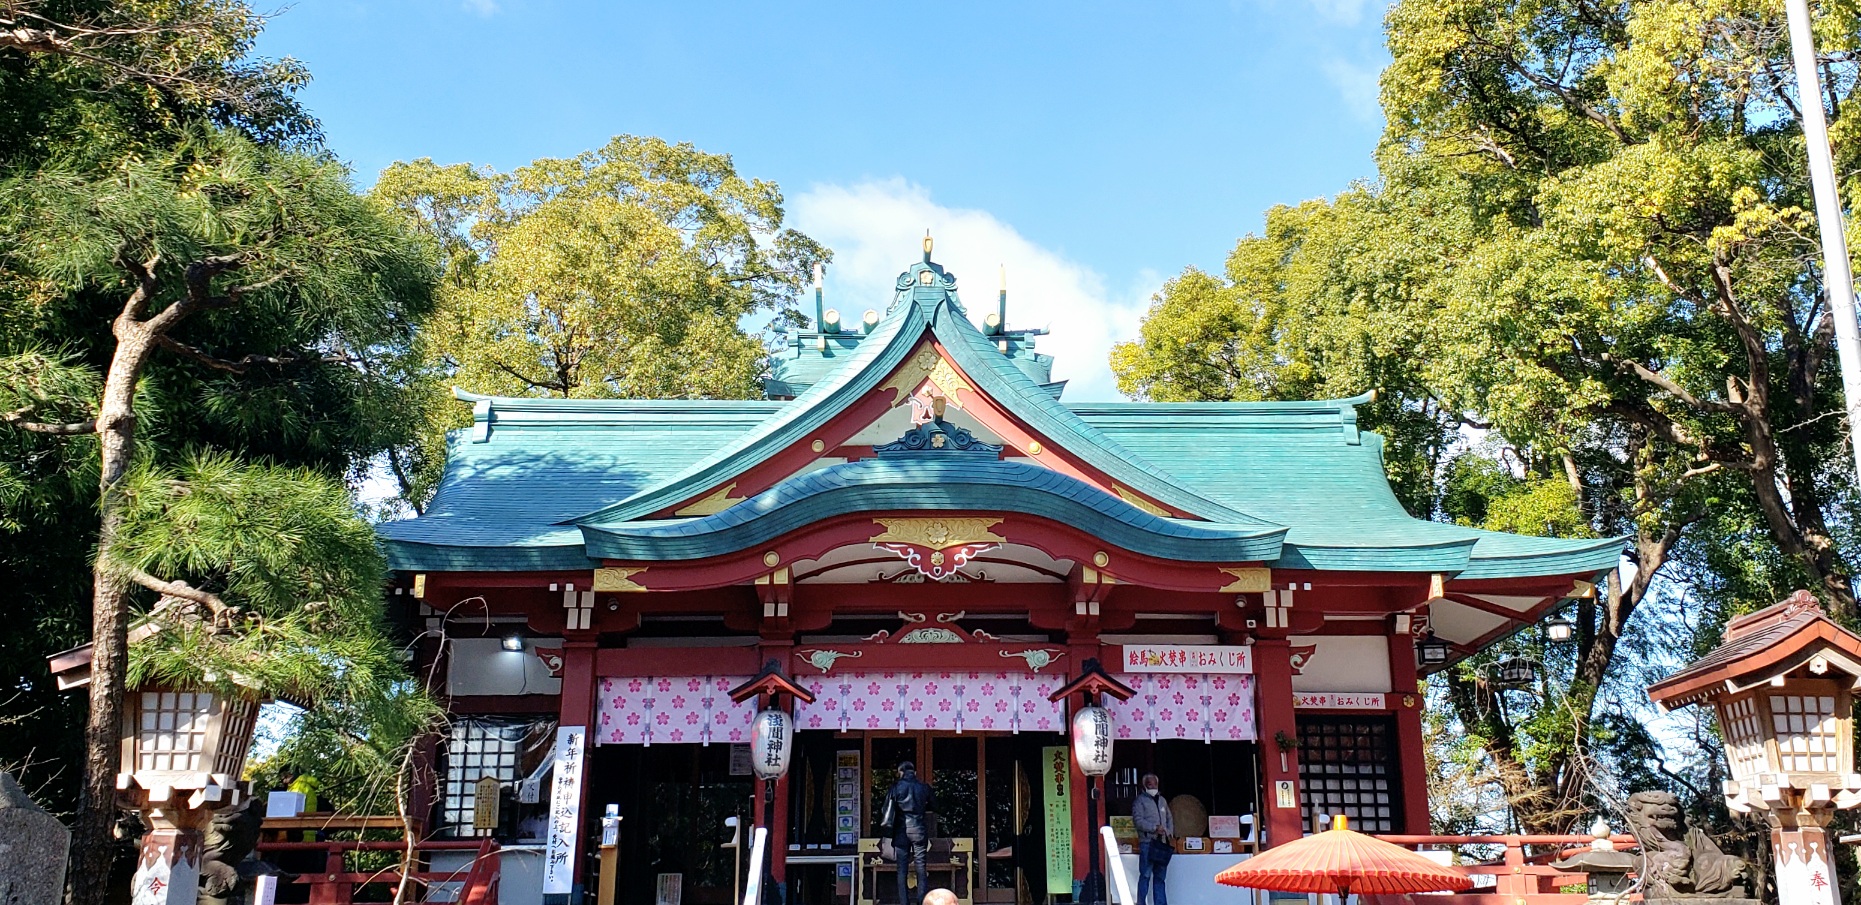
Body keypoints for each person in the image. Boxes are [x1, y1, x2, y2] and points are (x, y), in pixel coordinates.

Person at [886, 761, 934, 905]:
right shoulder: (924, 787)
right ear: (914, 772)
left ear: (901, 772)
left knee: (902, 869)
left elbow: (887, 810)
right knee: (921, 867)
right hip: (918, 830)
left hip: (901, 831)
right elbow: (936, 805)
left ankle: (904, 902)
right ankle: (922, 901)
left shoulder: (895, 787)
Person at [1131, 773, 1173, 905]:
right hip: (1148, 843)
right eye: (1150, 784)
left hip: (1162, 843)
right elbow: (1138, 821)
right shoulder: (1139, 801)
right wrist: (1154, 828)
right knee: (1145, 875)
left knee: (1160, 877)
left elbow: (1169, 818)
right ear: (1144, 785)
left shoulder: (1162, 800)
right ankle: (1141, 903)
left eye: (1155, 784)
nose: (1153, 787)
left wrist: (1169, 832)